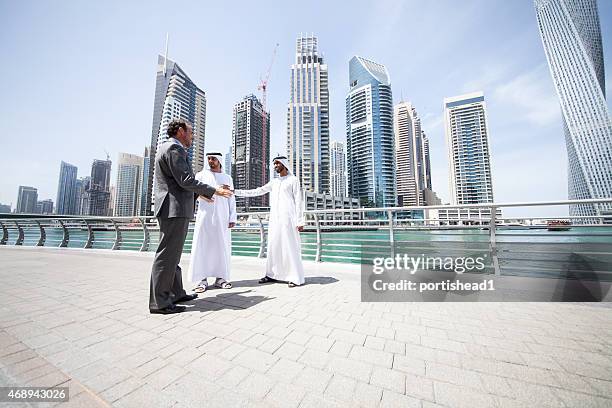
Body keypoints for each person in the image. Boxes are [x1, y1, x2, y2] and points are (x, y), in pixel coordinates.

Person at [149, 120, 233, 314]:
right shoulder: (174, 149)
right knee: (166, 256)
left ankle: (176, 292)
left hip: (174, 208)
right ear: (180, 131)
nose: (193, 136)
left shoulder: (168, 148)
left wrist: (199, 194)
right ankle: (160, 302)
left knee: (173, 255)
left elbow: (179, 183)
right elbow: (186, 180)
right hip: (173, 209)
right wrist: (215, 191)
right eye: (191, 132)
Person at [235, 155, 305, 287]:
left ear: (284, 164)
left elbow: (298, 201)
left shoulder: (293, 180)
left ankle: (295, 277)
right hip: (275, 219)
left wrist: (300, 221)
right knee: (274, 246)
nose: (275, 166)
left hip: (288, 219)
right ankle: (271, 274)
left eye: (277, 163)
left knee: (290, 246)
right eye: (274, 164)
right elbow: (258, 191)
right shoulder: (274, 182)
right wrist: (235, 192)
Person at [188, 152, 237, 292]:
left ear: (219, 160)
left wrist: (232, 217)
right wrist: (205, 196)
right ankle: (201, 280)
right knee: (202, 246)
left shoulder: (227, 178)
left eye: (213, 159)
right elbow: (194, 193)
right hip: (204, 217)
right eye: (209, 158)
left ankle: (221, 278)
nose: (210, 161)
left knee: (221, 247)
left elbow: (231, 199)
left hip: (223, 218)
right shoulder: (200, 175)